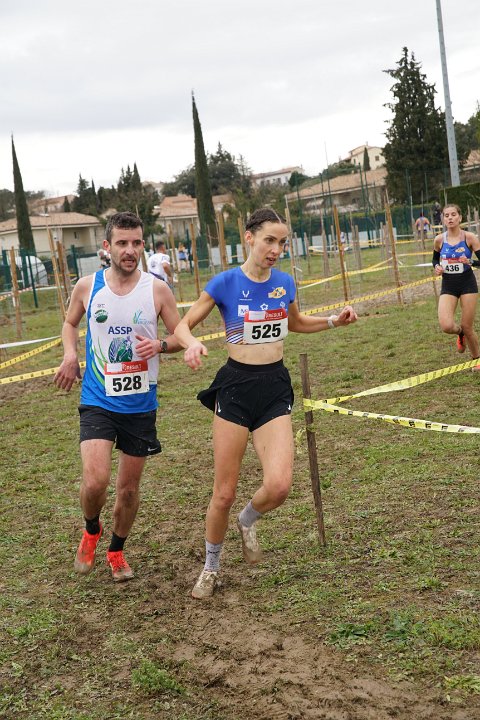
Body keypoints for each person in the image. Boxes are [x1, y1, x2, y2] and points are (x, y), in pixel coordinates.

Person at [174, 207, 358, 599]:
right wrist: (190, 344)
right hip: (236, 388)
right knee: (223, 492)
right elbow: (182, 325)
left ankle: (248, 519)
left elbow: (295, 323)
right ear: (249, 238)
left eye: (282, 242)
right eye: (269, 240)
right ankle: (211, 567)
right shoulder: (225, 283)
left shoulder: (285, 282)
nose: (276, 249)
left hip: (274, 386)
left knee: (279, 486)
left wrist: (332, 321)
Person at [53, 212, 182, 582]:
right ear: (107, 247)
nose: (130, 250)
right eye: (122, 243)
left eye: (136, 243)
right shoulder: (87, 287)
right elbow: (69, 323)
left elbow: (180, 335)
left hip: (140, 404)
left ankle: (116, 550)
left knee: (127, 491)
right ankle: (91, 529)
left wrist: (160, 345)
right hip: (98, 398)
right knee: (95, 481)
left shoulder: (157, 290)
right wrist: (70, 355)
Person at [432, 203, 480, 363]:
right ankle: (460, 333)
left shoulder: (470, 238)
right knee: (446, 326)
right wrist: (437, 267)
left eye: (453, 214)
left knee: (468, 326)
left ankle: (477, 359)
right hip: (448, 285)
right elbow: (435, 260)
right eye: (446, 215)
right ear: (443, 219)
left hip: (467, 284)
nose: (450, 218)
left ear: (460, 217)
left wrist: (471, 262)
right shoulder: (439, 240)